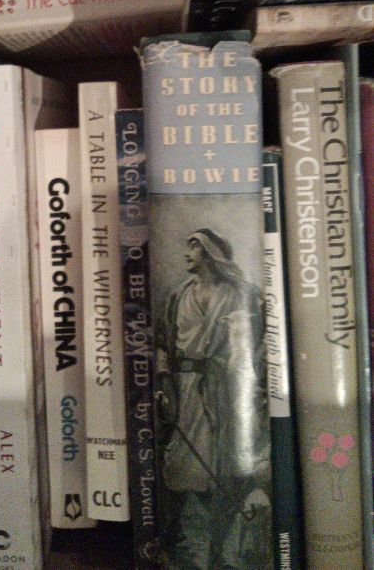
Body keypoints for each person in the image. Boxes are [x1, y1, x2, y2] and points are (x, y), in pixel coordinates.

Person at [155, 227, 271, 570]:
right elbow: (162, 345)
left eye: (193, 246)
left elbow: (262, 339)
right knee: (178, 465)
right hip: (185, 391)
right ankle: (170, 544)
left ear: (210, 253)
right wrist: (164, 385)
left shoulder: (239, 294)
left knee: (223, 469)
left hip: (224, 392)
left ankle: (218, 551)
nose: (186, 252)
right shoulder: (179, 296)